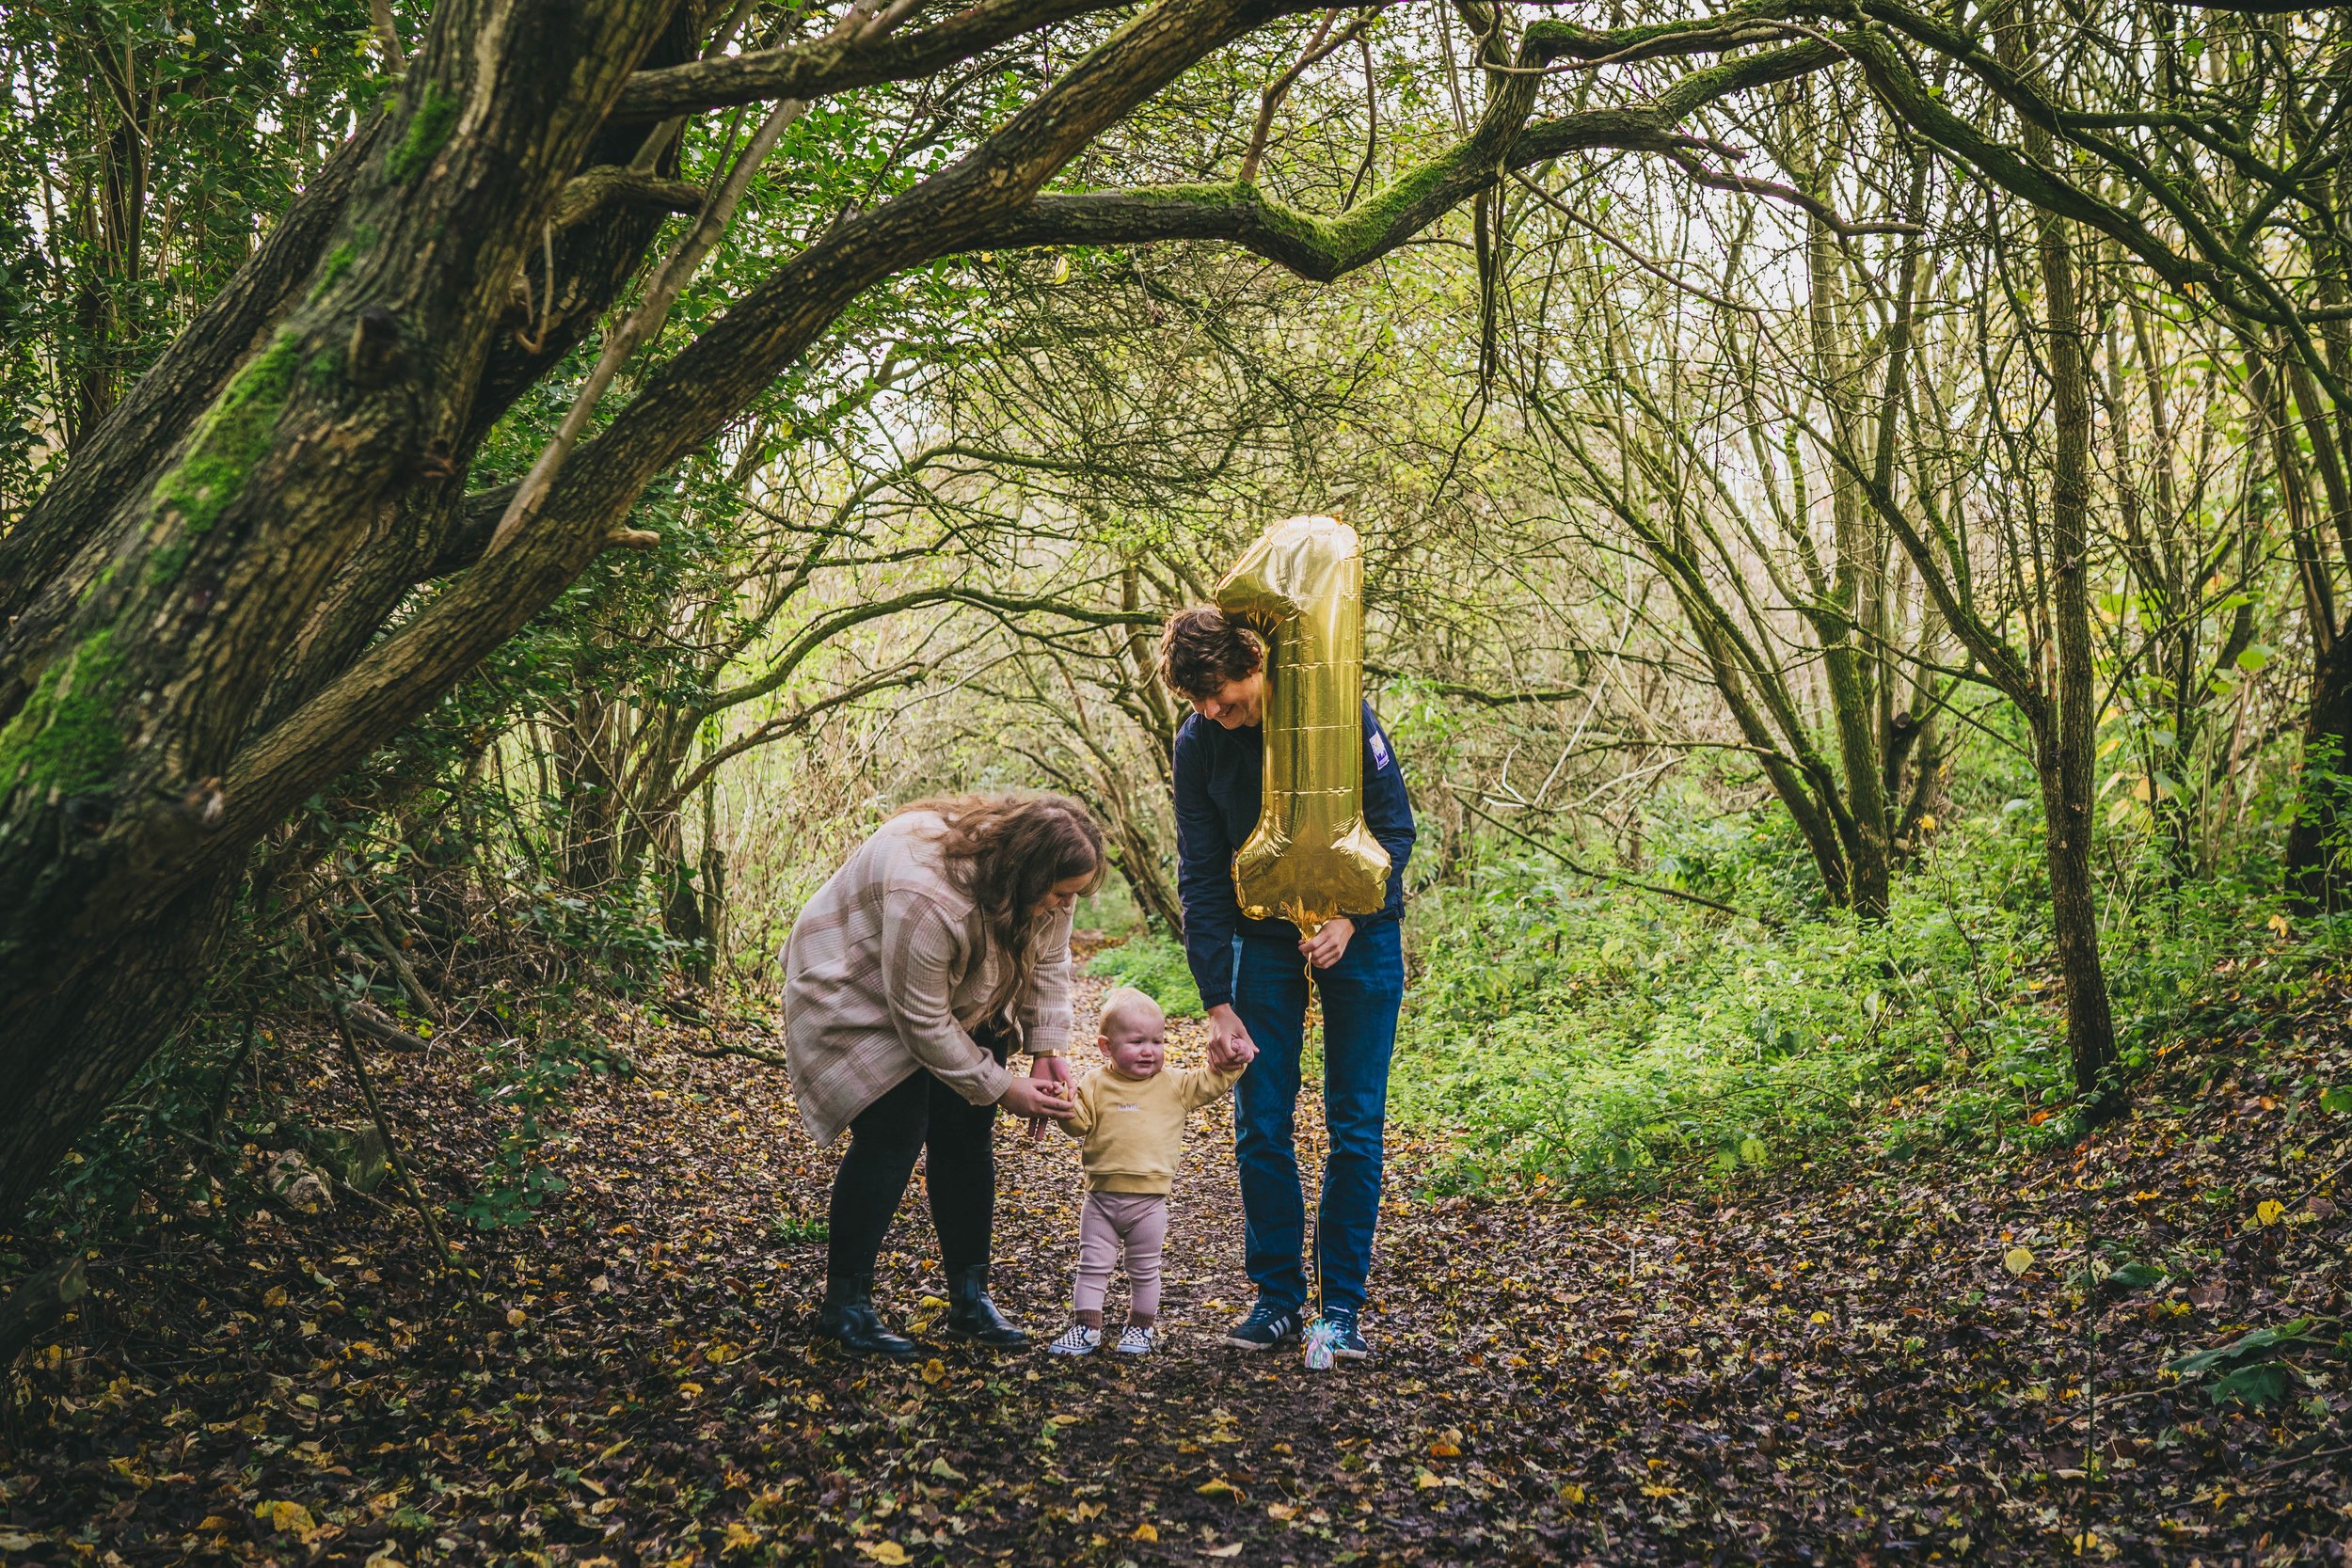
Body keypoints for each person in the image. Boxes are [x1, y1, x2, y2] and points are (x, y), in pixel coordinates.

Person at [1161, 606, 1415, 1360]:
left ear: (1254, 658)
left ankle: (1341, 1307)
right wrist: (1216, 999)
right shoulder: (1200, 742)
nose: (1214, 708)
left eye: (1222, 690)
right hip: (1260, 941)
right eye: (1198, 698)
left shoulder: (1339, 714)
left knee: (1355, 1123)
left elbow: (1394, 828)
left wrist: (1350, 918)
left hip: (1359, 932)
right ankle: (1277, 1299)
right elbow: (1201, 877)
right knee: (1261, 1120)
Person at [781, 793, 1096, 1359]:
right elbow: (922, 1020)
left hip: (972, 974)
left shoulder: (1049, 883)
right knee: (894, 1130)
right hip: (855, 980)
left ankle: (969, 1301)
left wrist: (1048, 1049)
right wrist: (1004, 1088)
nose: (1061, 905)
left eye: (1071, 895)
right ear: (1025, 872)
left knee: (967, 1129)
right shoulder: (929, 894)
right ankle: (844, 1306)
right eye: (1057, 894)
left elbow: (1048, 957)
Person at [1043, 987, 1253, 1357]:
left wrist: (1232, 1063)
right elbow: (1078, 1125)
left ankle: (1140, 1328)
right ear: (1106, 1047)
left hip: (1150, 1203)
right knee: (1091, 1267)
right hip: (1101, 1200)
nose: (1149, 1050)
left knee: (1144, 1270)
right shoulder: (1094, 1083)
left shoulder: (1173, 1083)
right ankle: (1085, 1327)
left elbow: (1209, 1082)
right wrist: (1064, 1101)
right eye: (1137, 1041)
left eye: (1157, 1041)